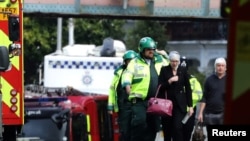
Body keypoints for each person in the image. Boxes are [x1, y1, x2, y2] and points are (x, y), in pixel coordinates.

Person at [121, 37, 169, 141]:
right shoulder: (135, 62)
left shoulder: (160, 60)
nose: (151, 51)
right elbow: (127, 74)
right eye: (148, 50)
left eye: (153, 49)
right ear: (142, 50)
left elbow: (172, 67)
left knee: (153, 127)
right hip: (139, 101)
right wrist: (127, 85)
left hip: (155, 101)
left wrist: (165, 55)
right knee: (140, 123)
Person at [158, 51, 194, 141]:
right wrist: (169, 81)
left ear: (179, 61)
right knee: (167, 130)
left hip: (179, 105)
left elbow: (188, 89)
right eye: (172, 61)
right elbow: (160, 87)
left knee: (177, 127)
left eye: (176, 61)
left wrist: (190, 106)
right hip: (166, 105)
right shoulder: (164, 70)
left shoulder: (183, 70)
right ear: (169, 61)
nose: (174, 63)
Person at [107, 50, 137, 141]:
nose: (130, 63)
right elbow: (112, 89)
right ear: (125, 62)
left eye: (132, 61)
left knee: (137, 130)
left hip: (136, 105)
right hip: (123, 106)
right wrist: (110, 106)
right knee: (124, 131)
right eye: (128, 61)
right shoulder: (119, 73)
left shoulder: (140, 72)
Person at [197, 57, 227, 125]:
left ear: (226, 68)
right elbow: (204, 98)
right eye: (218, 65)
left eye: (222, 66)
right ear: (215, 67)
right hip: (210, 114)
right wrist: (200, 113)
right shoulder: (209, 80)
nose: (220, 68)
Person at [180, 56, 203, 141]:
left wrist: (187, 99)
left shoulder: (193, 80)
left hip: (189, 112)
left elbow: (199, 94)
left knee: (187, 134)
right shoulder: (174, 78)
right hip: (177, 111)